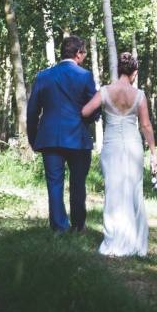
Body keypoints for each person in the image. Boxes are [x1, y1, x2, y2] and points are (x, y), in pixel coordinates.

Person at [82, 51, 157, 256]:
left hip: (112, 145)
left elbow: (85, 111)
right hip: (133, 146)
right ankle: (133, 240)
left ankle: (114, 240)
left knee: (113, 190)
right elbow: (146, 125)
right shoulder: (139, 95)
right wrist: (153, 153)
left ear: (117, 71)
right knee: (133, 190)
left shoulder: (106, 91)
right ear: (134, 72)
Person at [26, 35, 99, 235]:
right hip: (78, 138)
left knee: (54, 184)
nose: (84, 57)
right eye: (83, 53)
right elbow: (93, 108)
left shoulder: (43, 76)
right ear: (78, 53)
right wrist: (93, 118)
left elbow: (32, 111)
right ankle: (77, 225)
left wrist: (33, 138)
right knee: (78, 183)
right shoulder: (85, 76)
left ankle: (59, 229)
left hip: (49, 139)